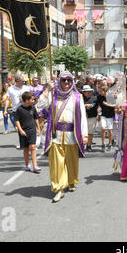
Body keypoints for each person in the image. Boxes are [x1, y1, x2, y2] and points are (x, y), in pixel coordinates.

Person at [45, 71, 88, 202]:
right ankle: (59, 188)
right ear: (59, 81)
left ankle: (71, 180)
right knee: (57, 163)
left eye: (69, 80)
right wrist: (47, 90)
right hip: (56, 135)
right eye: (64, 80)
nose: (66, 83)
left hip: (72, 134)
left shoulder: (77, 96)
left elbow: (82, 116)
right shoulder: (53, 95)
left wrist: (84, 134)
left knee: (71, 160)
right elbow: (40, 106)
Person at [14, 91, 41, 174]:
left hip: (32, 130)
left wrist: (38, 128)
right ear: (26, 100)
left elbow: (36, 118)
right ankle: (27, 165)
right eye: (31, 99)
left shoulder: (32, 108)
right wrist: (20, 130)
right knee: (26, 148)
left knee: (33, 147)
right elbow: (17, 121)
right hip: (23, 131)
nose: (33, 101)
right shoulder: (19, 109)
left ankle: (35, 166)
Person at [4, 76, 30, 147]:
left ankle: (29, 142)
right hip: (16, 111)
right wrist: (5, 110)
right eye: (22, 81)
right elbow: (7, 99)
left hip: (26, 109)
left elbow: (31, 97)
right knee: (19, 127)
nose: (24, 83)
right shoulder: (10, 89)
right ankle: (22, 143)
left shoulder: (26, 88)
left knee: (28, 126)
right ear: (18, 81)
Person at [97, 83, 115, 152]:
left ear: (105, 91)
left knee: (110, 130)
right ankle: (103, 143)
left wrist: (108, 104)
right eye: (99, 91)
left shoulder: (110, 96)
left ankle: (110, 143)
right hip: (103, 114)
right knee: (103, 128)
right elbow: (98, 106)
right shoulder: (99, 97)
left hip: (110, 115)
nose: (100, 92)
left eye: (101, 91)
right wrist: (98, 115)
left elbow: (115, 105)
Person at [82, 85, 98, 152]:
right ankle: (82, 146)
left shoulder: (94, 98)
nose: (89, 93)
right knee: (82, 132)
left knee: (90, 132)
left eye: (90, 92)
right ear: (84, 92)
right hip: (82, 117)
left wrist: (85, 105)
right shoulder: (80, 98)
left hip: (92, 117)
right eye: (88, 92)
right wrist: (85, 105)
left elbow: (92, 105)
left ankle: (89, 146)